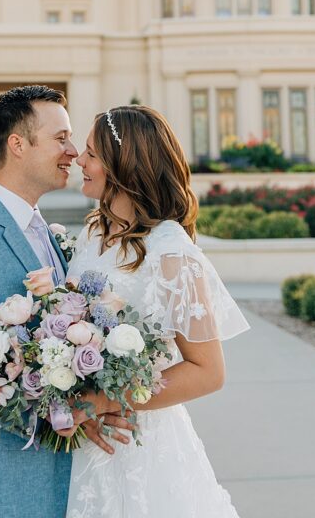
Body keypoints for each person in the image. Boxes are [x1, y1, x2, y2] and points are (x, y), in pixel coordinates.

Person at [0, 85, 127, 517]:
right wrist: (69, 412)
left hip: (48, 479)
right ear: (17, 144)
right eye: (60, 138)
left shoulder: (42, 230)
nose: (73, 151)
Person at [65, 104, 249, 518]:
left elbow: (208, 371)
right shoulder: (94, 230)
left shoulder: (170, 253)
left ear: (122, 165)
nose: (80, 160)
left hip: (140, 446)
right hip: (84, 444)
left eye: (92, 154)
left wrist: (106, 400)